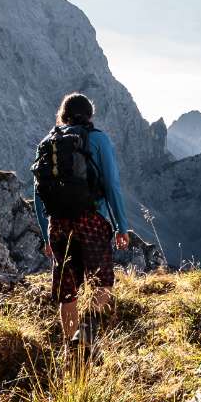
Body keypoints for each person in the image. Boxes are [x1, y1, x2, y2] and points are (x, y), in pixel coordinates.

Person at [31, 92, 139, 359]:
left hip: (58, 224)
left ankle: (73, 350)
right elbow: (112, 184)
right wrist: (121, 226)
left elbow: (37, 192)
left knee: (67, 290)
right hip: (92, 220)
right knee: (102, 282)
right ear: (90, 115)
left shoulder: (48, 142)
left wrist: (47, 235)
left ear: (62, 114)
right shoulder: (99, 139)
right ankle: (87, 336)